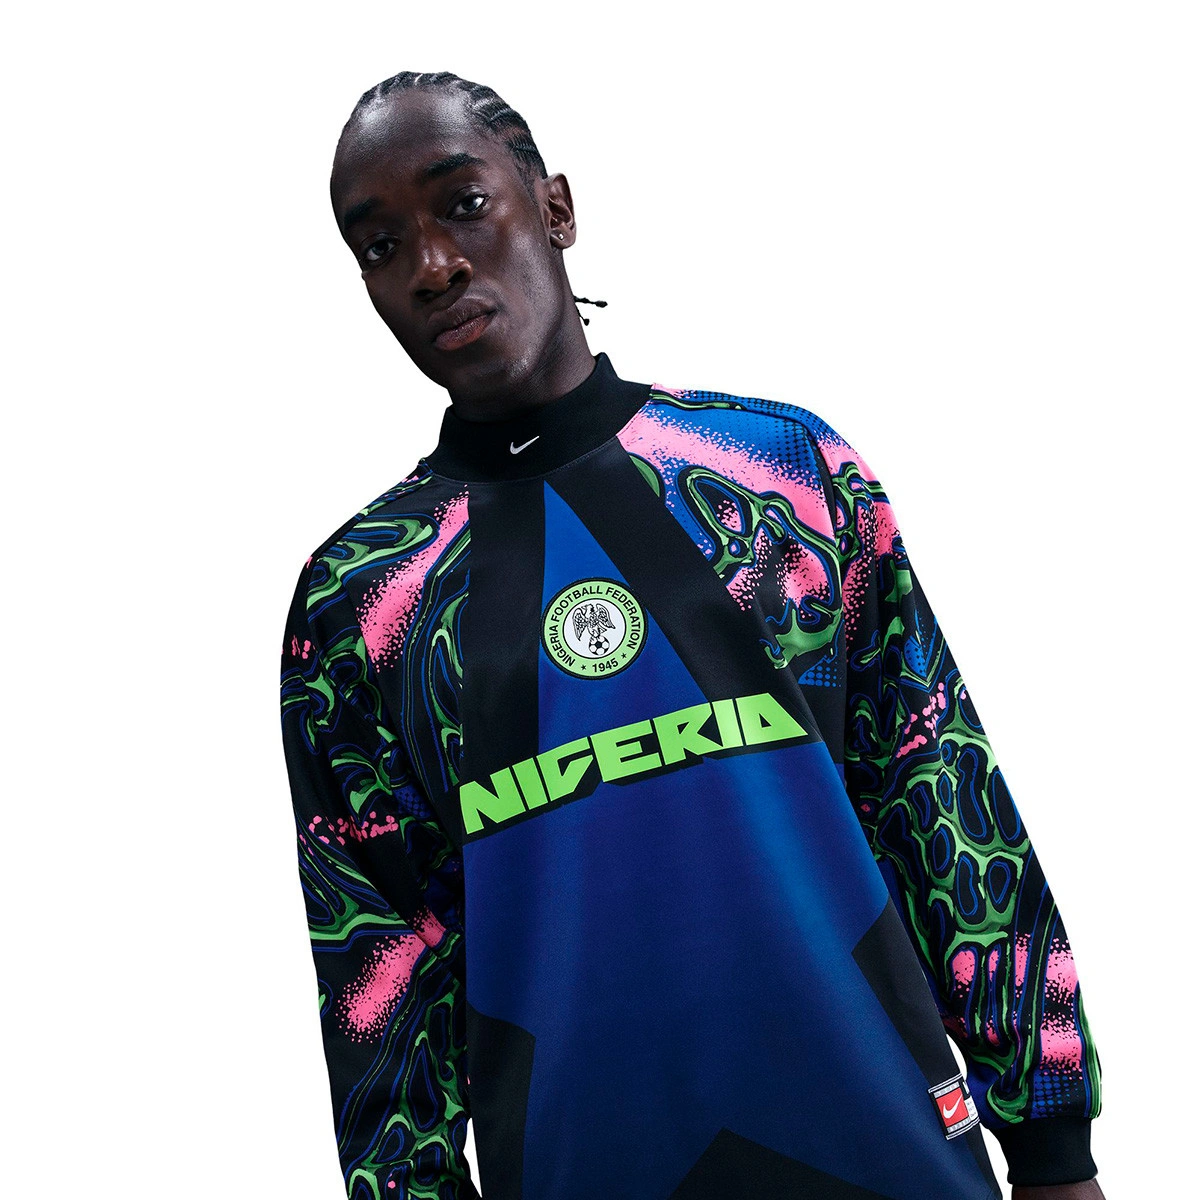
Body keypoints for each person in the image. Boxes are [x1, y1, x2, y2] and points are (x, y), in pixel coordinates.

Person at [278, 70, 1104, 1200]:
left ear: (555, 207)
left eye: (463, 204)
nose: (432, 265)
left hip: (896, 1160)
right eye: (381, 246)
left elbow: (941, 798)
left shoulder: (782, 472)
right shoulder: (362, 599)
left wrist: (1052, 1146)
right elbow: (376, 972)